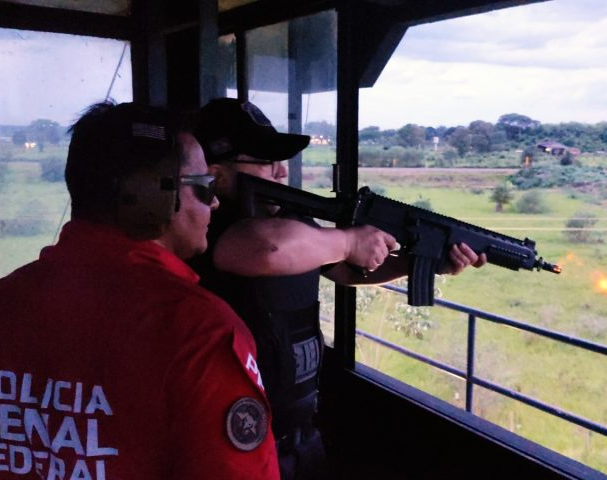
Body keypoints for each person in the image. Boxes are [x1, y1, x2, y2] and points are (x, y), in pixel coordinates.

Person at [191, 97, 487, 480]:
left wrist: (424, 262)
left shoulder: (291, 218)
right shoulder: (208, 230)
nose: (282, 172)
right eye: (265, 160)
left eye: (282, 160)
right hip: (235, 438)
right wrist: (348, 239)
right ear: (217, 174)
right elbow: (269, 248)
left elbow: (346, 271)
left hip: (300, 428)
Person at [0, 102, 279, 479]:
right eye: (204, 187)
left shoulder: (1, 302)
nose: (215, 202)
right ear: (151, 195)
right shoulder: (201, 333)